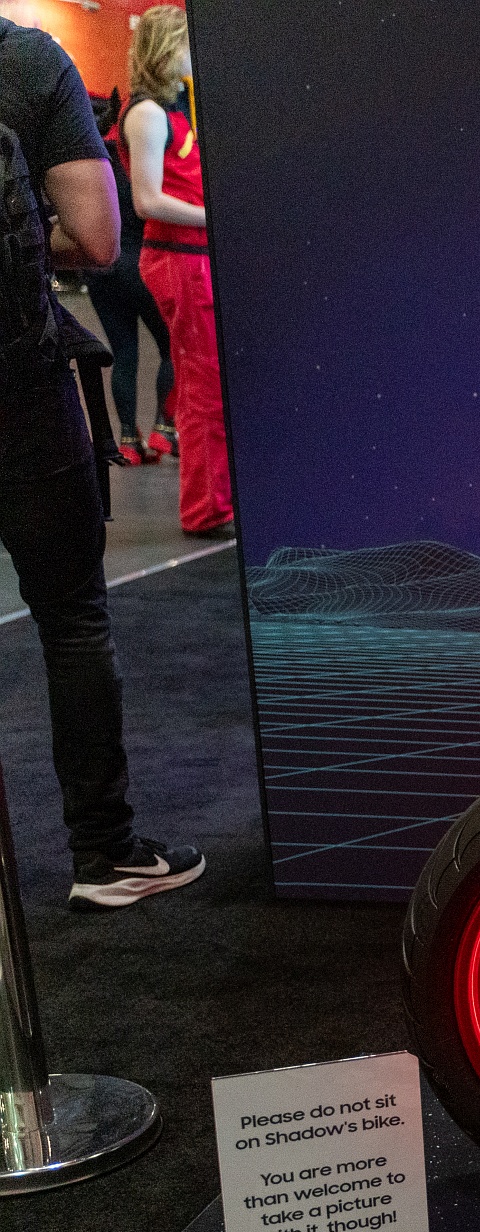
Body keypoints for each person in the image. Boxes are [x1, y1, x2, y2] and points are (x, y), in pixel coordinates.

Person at [0, 12, 204, 907]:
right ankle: (106, 853)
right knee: (73, 621)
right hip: (19, 388)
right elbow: (96, 237)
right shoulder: (25, 61)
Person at [122, 5, 231, 538]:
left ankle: (216, 502)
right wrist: (216, 216)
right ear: (168, 49)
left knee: (208, 381)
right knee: (203, 383)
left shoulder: (175, 112)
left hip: (194, 257)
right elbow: (146, 200)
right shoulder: (147, 114)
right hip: (180, 259)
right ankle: (206, 509)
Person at [83, 89, 177, 464]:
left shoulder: (89, 161)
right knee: (171, 346)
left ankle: (127, 441)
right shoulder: (135, 152)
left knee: (124, 353)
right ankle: (163, 429)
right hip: (141, 264)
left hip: (102, 272)